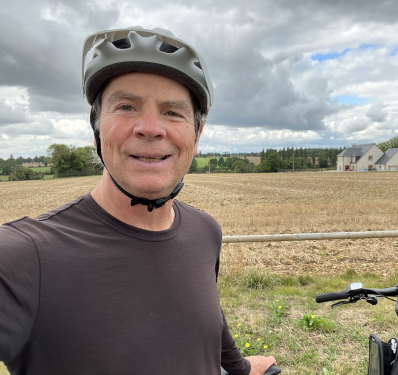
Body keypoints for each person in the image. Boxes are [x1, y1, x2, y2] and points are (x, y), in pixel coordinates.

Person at [0, 26, 276, 375]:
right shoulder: (24, 256)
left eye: (173, 112)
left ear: (197, 132)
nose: (150, 128)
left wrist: (241, 367)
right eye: (127, 106)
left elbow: (207, 324)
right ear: (98, 128)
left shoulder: (205, 231)